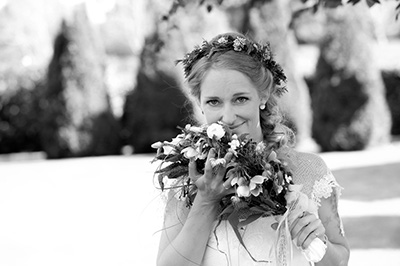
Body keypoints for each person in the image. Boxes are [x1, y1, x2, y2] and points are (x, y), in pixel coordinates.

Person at [156, 32, 350, 266]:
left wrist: (317, 245)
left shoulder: (310, 171)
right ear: (200, 103)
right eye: (214, 101)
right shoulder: (188, 182)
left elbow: (339, 261)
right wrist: (205, 201)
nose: (227, 117)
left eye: (240, 99)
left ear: (263, 95)